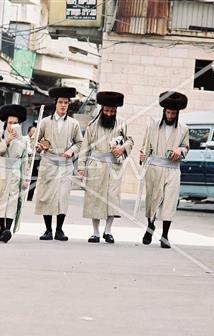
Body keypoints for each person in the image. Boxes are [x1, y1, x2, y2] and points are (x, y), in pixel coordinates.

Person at [78, 91, 134, 244]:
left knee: (112, 198)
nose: (109, 114)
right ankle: (95, 232)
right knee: (95, 198)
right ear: (102, 109)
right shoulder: (92, 125)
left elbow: (130, 141)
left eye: (112, 111)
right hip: (95, 165)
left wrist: (122, 149)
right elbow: (85, 147)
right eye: (107, 110)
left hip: (114, 166)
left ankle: (108, 231)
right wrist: (81, 167)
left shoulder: (122, 123)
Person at [139, 91, 189, 248]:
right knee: (152, 200)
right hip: (154, 168)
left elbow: (186, 147)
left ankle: (165, 235)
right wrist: (142, 157)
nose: (170, 116)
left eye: (173, 113)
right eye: (168, 112)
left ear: (177, 114)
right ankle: (150, 226)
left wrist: (179, 152)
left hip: (173, 169)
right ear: (163, 112)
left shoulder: (183, 129)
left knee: (169, 202)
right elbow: (146, 147)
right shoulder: (152, 127)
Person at [34, 87, 83, 241]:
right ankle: (48, 229)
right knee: (47, 195)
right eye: (61, 102)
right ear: (55, 103)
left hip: (65, 164)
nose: (63, 105)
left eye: (66, 102)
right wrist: (39, 146)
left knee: (62, 196)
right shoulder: (45, 122)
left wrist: (71, 151)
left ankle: (59, 230)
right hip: (49, 162)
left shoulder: (74, 123)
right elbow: (35, 140)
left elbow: (80, 143)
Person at [0, 104, 29, 243]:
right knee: (0, 199)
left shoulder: (24, 140)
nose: (12, 126)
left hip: (15, 172)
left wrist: (25, 179)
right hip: (1, 169)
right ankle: (1, 229)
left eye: (15, 123)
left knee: (13, 201)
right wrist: (6, 140)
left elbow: (25, 160)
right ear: (6, 123)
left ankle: (8, 229)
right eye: (10, 123)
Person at [26, 122, 40, 201]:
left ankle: (30, 196)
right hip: (27, 160)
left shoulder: (38, 140)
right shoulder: (25, 139)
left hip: (36, 161)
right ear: (29, 132)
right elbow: (27, 149)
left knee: (34, 178)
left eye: (36, 131)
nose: (35, 133)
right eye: (33, 131)